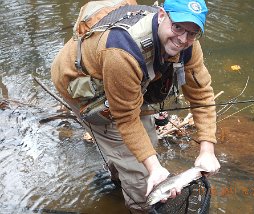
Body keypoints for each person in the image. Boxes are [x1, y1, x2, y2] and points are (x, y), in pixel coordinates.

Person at [50, 0, 220, 213]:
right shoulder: (122, 51)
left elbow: (201, 94)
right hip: (80, 83)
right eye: (177, 27)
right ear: (161, 15)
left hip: (123, 80)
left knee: (146, 143)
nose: (183, 39)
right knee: (143, 180)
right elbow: (126, 118)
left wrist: (207, 149)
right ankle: (138, 202)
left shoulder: (188, 45)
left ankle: (120, 175)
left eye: (193, 33)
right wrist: (153, 169)